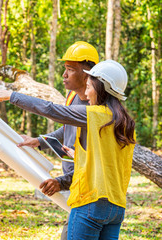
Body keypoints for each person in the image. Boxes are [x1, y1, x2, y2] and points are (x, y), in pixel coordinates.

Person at [0, 59, 136, 239]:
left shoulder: (94, 114)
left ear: (101, 89)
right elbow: (108, 162)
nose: (85, 92)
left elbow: (52, 110)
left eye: (89, 87)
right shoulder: (125, 123)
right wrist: (42, 142)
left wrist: (12, 96)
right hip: (116, 208)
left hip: (90, 202)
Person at [14, 41, 99, 239]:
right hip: (74, 185)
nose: (64, 75)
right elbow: (67, 129)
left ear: (87, 73)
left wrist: (61, 182)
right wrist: (39, 141)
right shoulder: (71, 97)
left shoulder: (96, 105)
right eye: (65, 69)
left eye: (70, 69)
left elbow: (91, 166)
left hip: (86, 189)